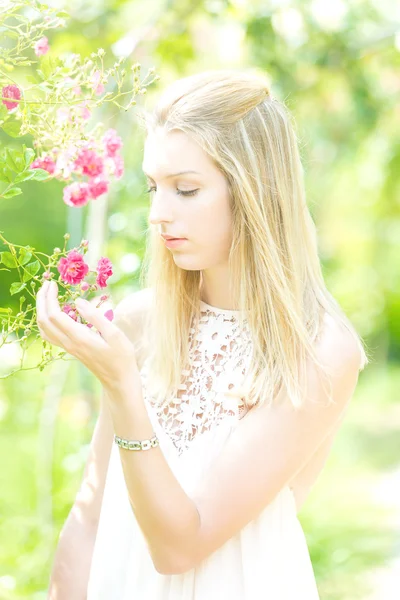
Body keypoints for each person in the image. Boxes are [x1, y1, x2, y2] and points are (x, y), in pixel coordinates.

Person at [47, 69, 369, 599]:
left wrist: (125, 388)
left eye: (186, 189)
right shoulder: (141, 323)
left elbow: (180, 546)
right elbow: (89, 514)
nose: (158, 213)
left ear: (254, 189)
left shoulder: (317, 352)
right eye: (154, 188)